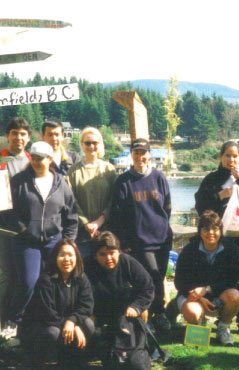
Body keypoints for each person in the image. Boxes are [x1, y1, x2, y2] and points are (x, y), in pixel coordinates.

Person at [195, 140, 239, 338]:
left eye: (235, 156)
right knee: (215, 277)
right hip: (219, 237)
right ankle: (213, 316)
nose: (231, 159)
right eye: (227, 155)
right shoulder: (211, 180)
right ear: (220, 157)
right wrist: (221, 195)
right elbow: (201, 206)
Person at [8, 141, 78, 323]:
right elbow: (7, 212)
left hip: (54, 241)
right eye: (34, 158)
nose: (38, 162)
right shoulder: (18, 181)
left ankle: (46, 319)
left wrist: (68, 240)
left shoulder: (60, 182)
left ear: (50, 160)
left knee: (52, 281)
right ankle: (13, 319)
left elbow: (71, 213)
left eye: (42, 159)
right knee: (28, 282)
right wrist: (23, 229)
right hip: (26, 240)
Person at [110, 138, 172, 331]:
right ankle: (150, 316)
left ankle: (159, 313)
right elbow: (117, 214)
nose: (140, 157)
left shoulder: (159, 177)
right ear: (131, 155)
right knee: (150, 277)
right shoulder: (123, 181)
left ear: (149, 155)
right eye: (136, 153)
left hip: (162, 239)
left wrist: (163, 227)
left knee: (159, 277)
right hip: (140, 242)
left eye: (143, 153)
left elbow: (167, 206)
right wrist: (125, 241)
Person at [85, 231, 154, 370]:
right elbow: (81, 295)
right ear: (95, 255)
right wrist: (88, 313)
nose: (108, 258)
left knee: (135, 364)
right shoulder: (88, 267)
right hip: (99, 316)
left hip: (126, 315)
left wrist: (138, 307)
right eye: (102, 254)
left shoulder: (128, 262)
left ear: (119, 251)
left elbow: (147, 288)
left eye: (112, 252)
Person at [20, 239, 94, 368]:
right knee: (53, 332)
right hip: (41, 328)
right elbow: (47, 314)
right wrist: (72, 324)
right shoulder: (46, 280)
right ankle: (45, 362)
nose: (66, 259)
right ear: (55, 258)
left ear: (77, 257)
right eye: (62, 255)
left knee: (88, 324)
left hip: (65, 325)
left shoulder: (82, 278)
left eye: (70, 255)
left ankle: (74, 361)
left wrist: (73, 321)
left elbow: (86, 305)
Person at [174, 210, 239, 346]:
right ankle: (199, 324)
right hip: (191, 296)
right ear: (200, 232)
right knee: (194, 313)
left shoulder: (231, 249)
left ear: (221, 231)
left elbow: (233, 279)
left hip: (217, 297)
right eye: (206, 229)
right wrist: (199, 296)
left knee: (235, 295)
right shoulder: (188, 251)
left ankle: (223, 328)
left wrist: (207, 289)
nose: (211, 233)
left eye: (215, 229)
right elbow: (179, 282)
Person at [0, 117, 32, 330]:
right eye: (14, 133)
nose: (18, 137)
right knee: (7, 276)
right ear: (7, 135)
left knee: (24, 277)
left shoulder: (33, 161)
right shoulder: (1, 159)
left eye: (22, 134)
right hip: (4, 227)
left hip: (27, 229)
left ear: (28, 138)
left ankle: (15, 319)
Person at [67, 127, 116, 258]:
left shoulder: (109, 169)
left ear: (100, 144)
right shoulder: (73, 171)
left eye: (95, 142)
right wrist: (86, 223)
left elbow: (114, 199)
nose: (91, 146)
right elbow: (70, 200)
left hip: (105, 229)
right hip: (81, 232)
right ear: (82, 145)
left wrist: (99, 221)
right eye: (87, 143)